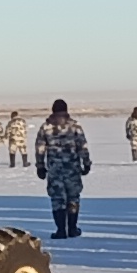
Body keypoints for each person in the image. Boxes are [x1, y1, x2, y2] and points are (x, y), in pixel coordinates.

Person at [34, 97, 93, 238]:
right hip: (72, 168)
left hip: (55, 170)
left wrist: (40, 166)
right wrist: (86, 163)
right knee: (73, 197)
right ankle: (72, 228)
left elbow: (40, 148)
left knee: (57, 199)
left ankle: (61, 230)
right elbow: (82, 146)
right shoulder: (75, 126)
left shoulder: (45, 127)